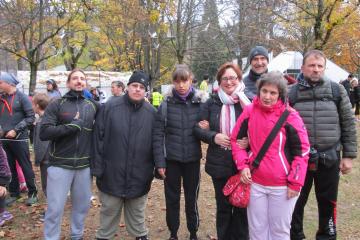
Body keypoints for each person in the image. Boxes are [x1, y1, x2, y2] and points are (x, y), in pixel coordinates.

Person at [231, 71, 310, 240]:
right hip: (255, 182)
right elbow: (235, 141)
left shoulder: (291, 116)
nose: (267, 96)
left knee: (279, 231)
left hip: (282, 185)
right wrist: (242, 166)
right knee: (256, 230)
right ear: (258, 91)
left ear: (280, 94)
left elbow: (302, 151)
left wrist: (295, 182)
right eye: (264, 91)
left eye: (273, 93)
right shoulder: (250, 111)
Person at [289, 50, 357, 240]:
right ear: (302, 68)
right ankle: (295, 236)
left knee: (328, 203)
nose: (316, 70)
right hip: (299, 160)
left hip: (330, 157)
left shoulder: (337, 90)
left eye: (320, 66)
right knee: (295, 201)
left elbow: (348, 122)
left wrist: (349, 156)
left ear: (324, 68)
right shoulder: (290, 92)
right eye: (311, 65)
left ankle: (327, 236)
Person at [92, 71, 157, 240]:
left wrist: (156, 167)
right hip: (111, 174)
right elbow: (97, 139)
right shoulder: (109, 108)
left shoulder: (152, 113)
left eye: (141, 87)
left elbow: (157, 143)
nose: (137, 89)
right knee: (108, 213)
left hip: (140, 175)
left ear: (145, 91)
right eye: (134, 86)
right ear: (127, 87)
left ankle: (140, 235)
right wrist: (98, 169)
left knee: (137, 215)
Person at [194, 62, 250, 240]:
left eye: (232, 77)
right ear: (219, 81)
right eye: (224, 78)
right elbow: (197, 129)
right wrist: (213, 136)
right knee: (224, 206)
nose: (228, 81)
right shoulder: (211, 102)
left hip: (242, 162)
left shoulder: (247, 102)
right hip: (219, 162)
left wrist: (249, 140)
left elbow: (259, 128)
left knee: (242, 206)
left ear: (239, 79)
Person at [40, 69, 98, 240]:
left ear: (85, 83)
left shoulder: (92, 105)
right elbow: (44, 132)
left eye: (82, 78)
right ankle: (51, 237)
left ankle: (77, 236)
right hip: (60, 165)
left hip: (84, 166)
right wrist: (70, 127)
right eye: (75, 78)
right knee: (55, 208)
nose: (79, 81)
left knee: (81, 207)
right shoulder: (57, 103)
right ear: (68, 83)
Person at [153, 64, 208, 240]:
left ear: (191, 80)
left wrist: (206, 128)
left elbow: (207, 129)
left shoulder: (200, 103)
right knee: (172, 199)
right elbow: (158, 134)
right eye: (177, 82)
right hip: (172, 160)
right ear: (173, 83)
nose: (181, 85)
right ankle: (173, 233)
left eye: (184, 81)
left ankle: (193, 232)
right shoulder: (165, 104)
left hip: (192, 160)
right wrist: (160, 162)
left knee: (192, 199)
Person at [0, 72, 38, 206]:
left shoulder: (22, 97)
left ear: (9, 83)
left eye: (0, 82)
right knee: (9, 167)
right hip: (4, 139)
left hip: (19, 139)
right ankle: (14, 193)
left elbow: (30, 117)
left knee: (25, 166)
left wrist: (16, 130)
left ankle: (33, 193)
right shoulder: (1, 98)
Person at [32, 93, 50, 221]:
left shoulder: (42, 122)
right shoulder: (48, 118)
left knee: (47, 186)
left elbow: (41, 144)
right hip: (50, 158)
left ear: (37, 105)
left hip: (47, 159)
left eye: (33, 104)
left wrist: (38, 159)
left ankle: (50, 211)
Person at [0, 126, 13, 226]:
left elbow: (3, 163)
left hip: (3, 175)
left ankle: (1, 213)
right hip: (3, 175)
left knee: (2, 193)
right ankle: (2, 213)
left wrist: (2, 182)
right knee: (1, 194)